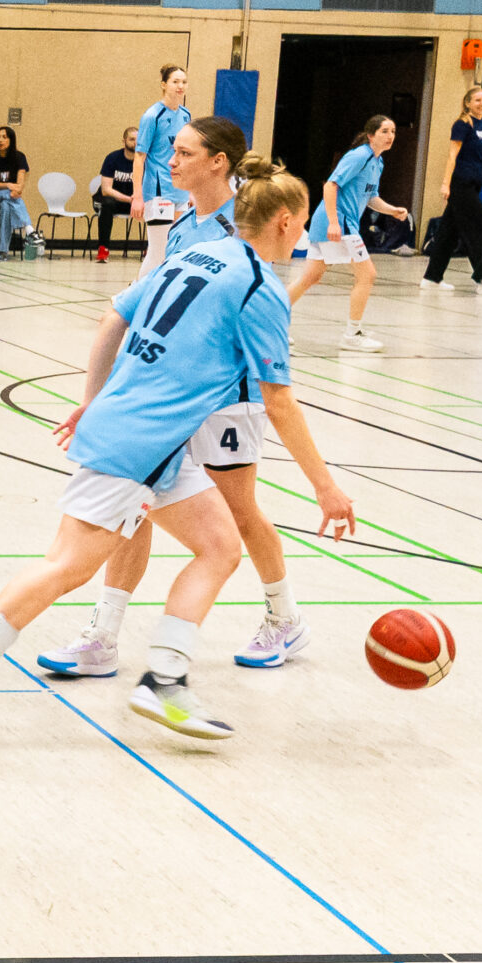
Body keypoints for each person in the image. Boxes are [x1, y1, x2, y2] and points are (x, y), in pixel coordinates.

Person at [0, 161, 356, 748]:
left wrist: (97, 402)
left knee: (220, 546)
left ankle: (165, 678)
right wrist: (326, 488)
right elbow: (278, 401)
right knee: (69, 565)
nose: (304, 233)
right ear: (285, 222)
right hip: (143, 441)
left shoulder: (192, 256)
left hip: (145, 434)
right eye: (304, 223)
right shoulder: (261, 288)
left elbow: (119, 321)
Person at [40, 118, 333, 676]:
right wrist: (105, 394)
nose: (168, 161)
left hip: (229, 393)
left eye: (182, 152)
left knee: (239, 514)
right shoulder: (180, 223)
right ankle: (103, 635)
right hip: (170, 390)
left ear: (218, 161)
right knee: (134, 502)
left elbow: (265, 298)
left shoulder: (243, 221)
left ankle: (285, 619)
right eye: (170, 151)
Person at [292, 115, 411, 354]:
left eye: (393, 132)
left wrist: (392, 210)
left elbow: (370, 198)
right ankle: (352, 333)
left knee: (310, 277)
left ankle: (268, 323)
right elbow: (330, 185)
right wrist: (334, 222)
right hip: (337, 223)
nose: (390, 136)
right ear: (371, 135)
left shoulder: (378, 163)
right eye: (384, 131)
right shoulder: (359, 156)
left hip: (337, 223)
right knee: (367, 275)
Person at [420, 84, 482, 296]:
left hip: (474, 185)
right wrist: (446, 184)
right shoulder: (461, 125)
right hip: (461, 186)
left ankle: (432, 278)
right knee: (480, 230)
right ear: (467, 103)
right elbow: (452, 156)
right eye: (477, 100)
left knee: (448, 233)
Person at [133, 65, 192, 274]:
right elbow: (139, 157)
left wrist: (191, 191)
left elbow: (187, 156)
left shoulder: (186, 116)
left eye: (183, 82)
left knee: (177, 250)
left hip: (181, 192)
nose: (180, 86)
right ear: (164, 85)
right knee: (158, 251)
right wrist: (137, 196)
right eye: (175, 81)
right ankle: (137, 296)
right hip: (158, 191)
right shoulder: (152, 116)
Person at [0, 125, 34, 258]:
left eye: (4, 137)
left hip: (8, 198)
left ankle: (0, 251)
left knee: (6, 206)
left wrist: (15, 189)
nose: (0, 140)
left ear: (11, 140)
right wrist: (10, 185)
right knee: (7, 195)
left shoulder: (19, 157)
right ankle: (29, 229)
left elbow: (20, 186)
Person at [94, 128, 138, 261]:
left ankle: (151, 249)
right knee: (107, 203)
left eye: (138, 140)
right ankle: (103, 248)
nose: (136, 143)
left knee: (153, 204)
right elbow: (106, 190)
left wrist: (138, 199)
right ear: (124, 141)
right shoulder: (112, 158)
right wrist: (129, 199)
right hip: (113, 201)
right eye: (132, 139)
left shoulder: (144, 161)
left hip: (133, 201)